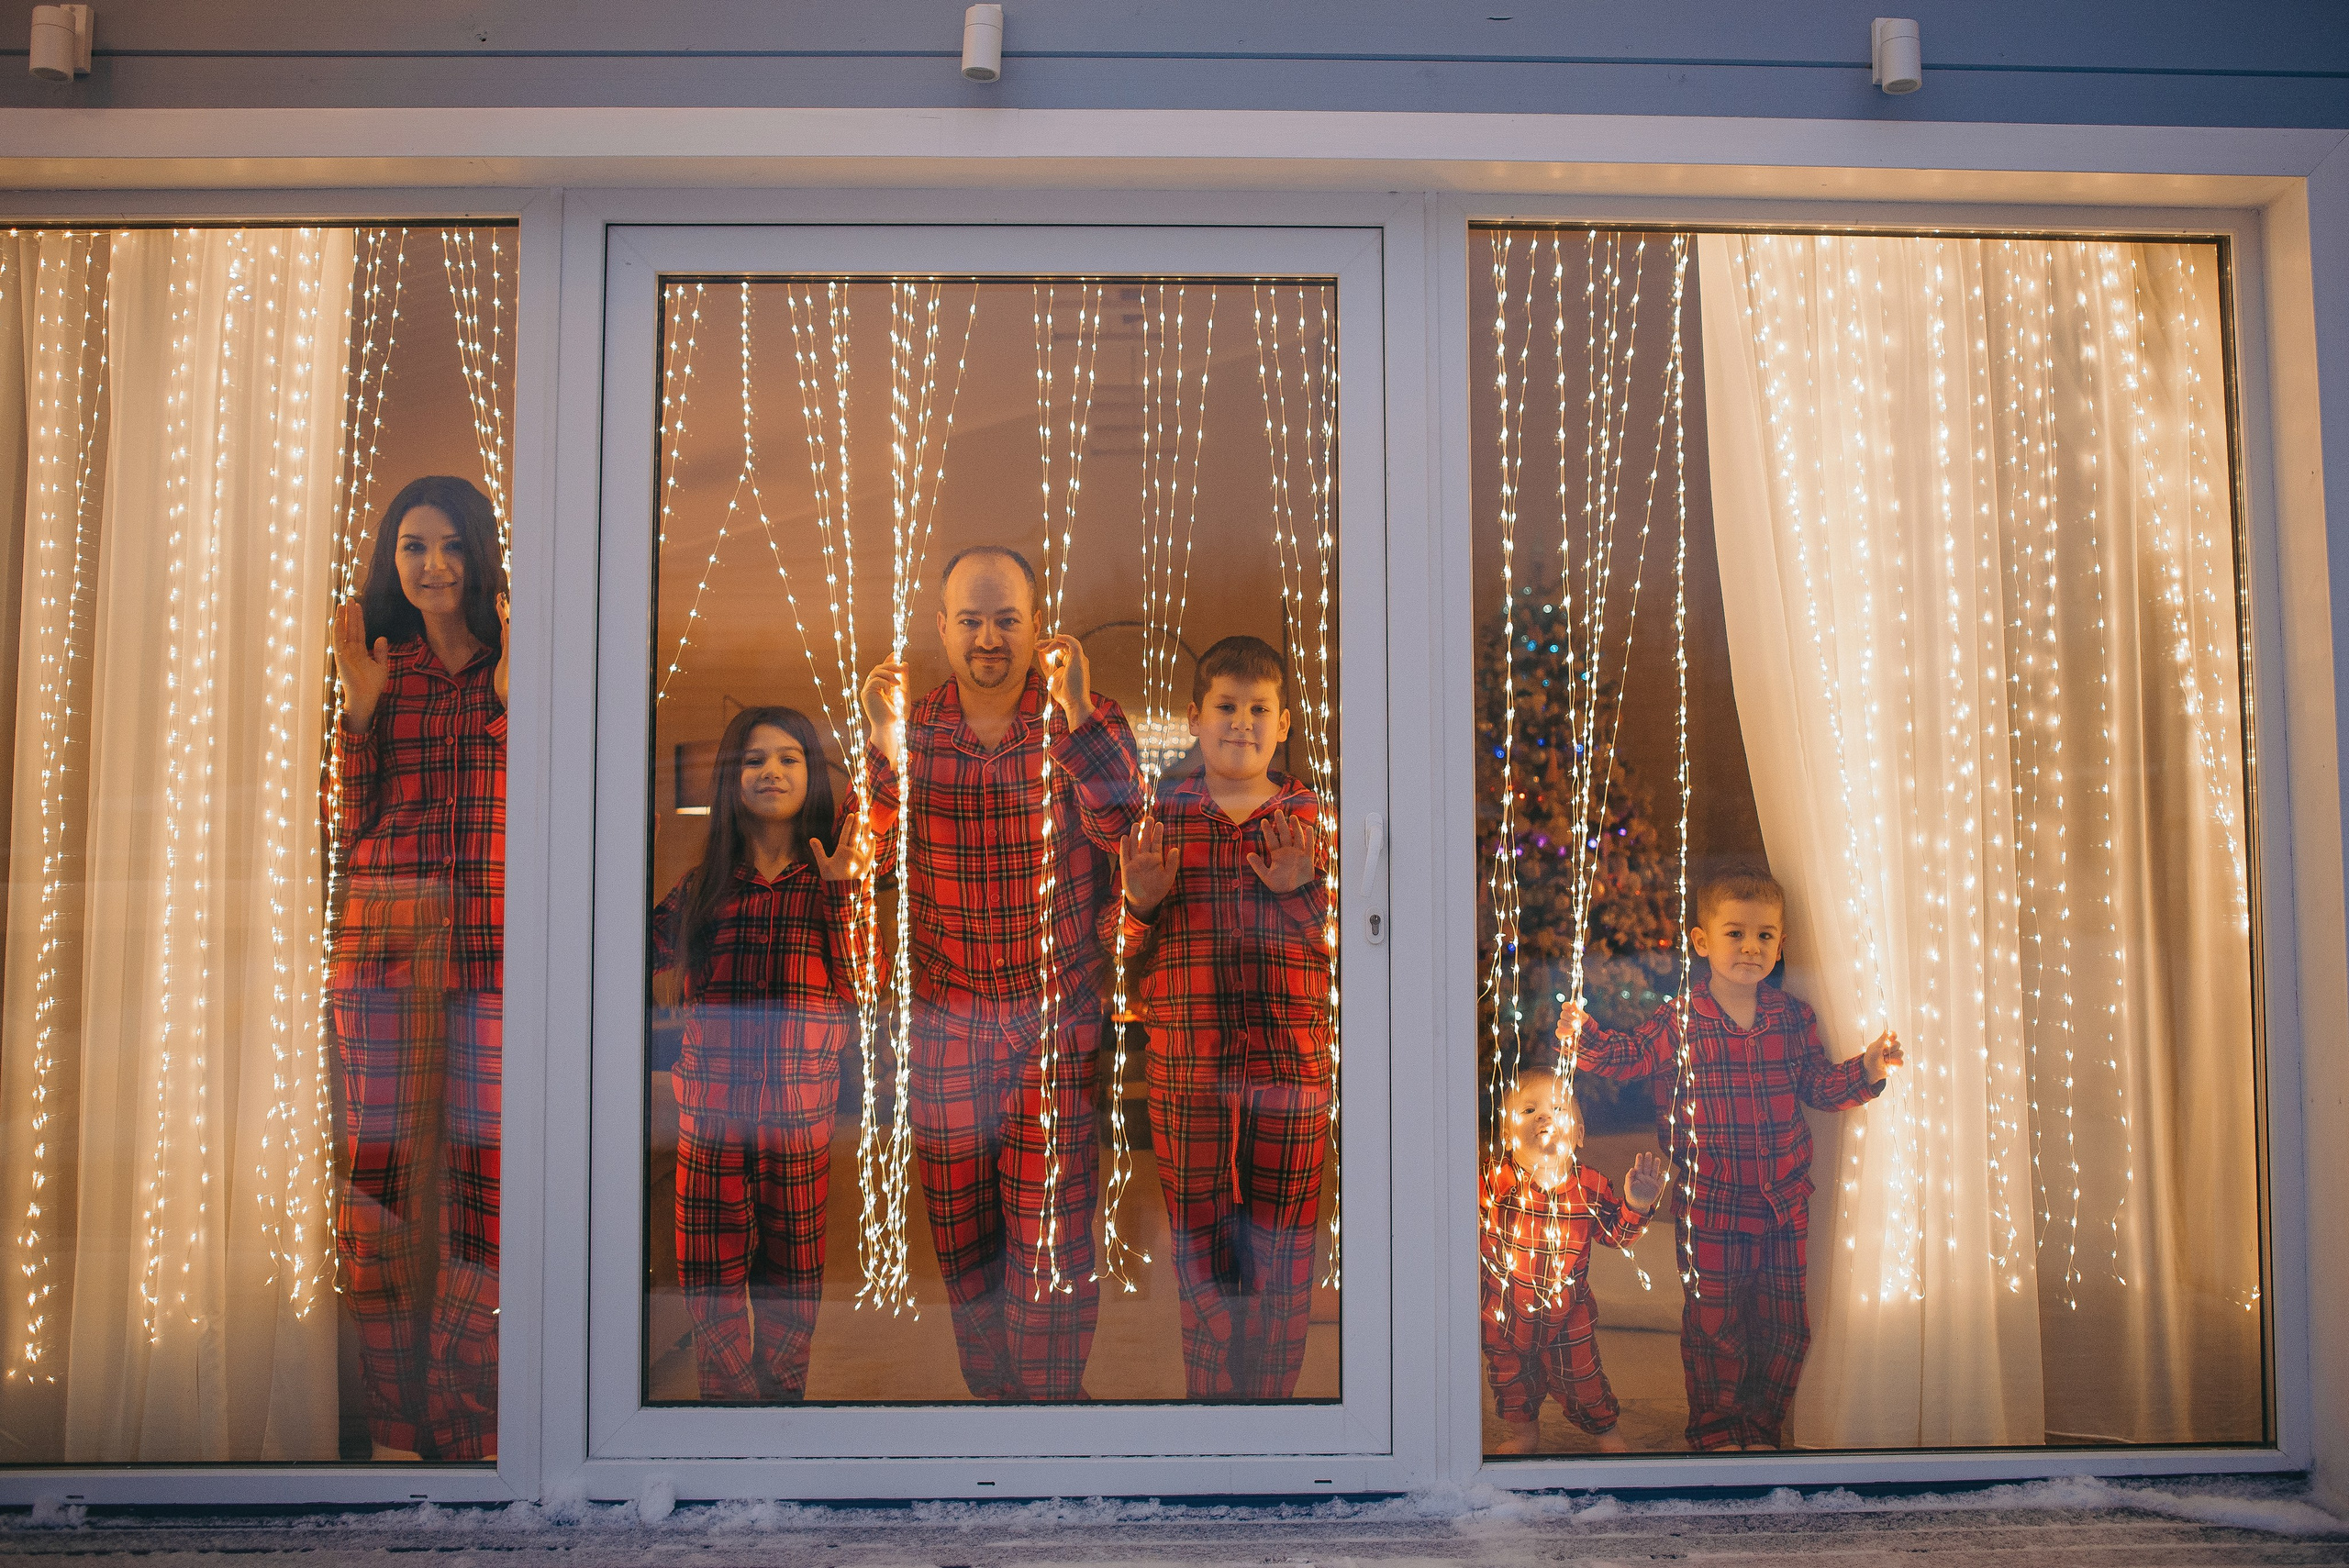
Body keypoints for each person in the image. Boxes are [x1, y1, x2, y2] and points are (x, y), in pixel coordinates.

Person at [860, 544, 1142, 1401]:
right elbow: (866, 854)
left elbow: (1128, 824)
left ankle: (1050, 1405)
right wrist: (878, 740)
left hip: (1051, 1022)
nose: (989, 637)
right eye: (972, 620)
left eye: (1007, 619)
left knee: (1052, 1234)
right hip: (945, 1024)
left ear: (1035, 626)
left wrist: (1081, 709)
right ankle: (995, 1402)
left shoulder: (1079, 721)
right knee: (963, 1237)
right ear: (941, 628)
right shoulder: (913, 731)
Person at [1559, 865, 1905, 1452]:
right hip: (1713, 1205)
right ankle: (1717, 1433)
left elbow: (1819, 1087)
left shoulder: (1791, 1019)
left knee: (1785, 1327)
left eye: (1765, 936)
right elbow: (1628, 1057)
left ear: (1781, 944)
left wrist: (1868, 1069)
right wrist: (1584, 1037)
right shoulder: (1684, 1019)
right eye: (1735, 934)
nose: (1750, 948)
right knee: (1716, 1326)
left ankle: (1762, 1428)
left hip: (1783, 1203)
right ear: (1702, 942)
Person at [329, 474, 507, 1462]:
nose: (432, 563)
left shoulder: (510, 665)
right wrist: (359, 715)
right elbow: (346, 826)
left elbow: (544, 802)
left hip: (491, 949)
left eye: (449, 544)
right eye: (412, 545)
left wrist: (512, 701)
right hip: (385, 945)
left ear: (479, 553)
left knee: (489, 1181)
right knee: (381, 1184)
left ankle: (470, 1415)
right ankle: (396, 1421)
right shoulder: (377, 667)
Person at [1113, 635, 1332, 1399]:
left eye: (1259, 709)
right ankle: (1214, 1402)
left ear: (1284, 722)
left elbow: (1348, 947)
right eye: (1227, 707)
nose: (1242, 722)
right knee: (1200, 1243)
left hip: (1291, 1063)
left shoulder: (1309, 820)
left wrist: (1303, 889)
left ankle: (1270, 1404)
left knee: (1283, 1244)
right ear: (1194, 718)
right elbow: (1118, 950)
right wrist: (1139, 903)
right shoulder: (1162, 819)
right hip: (1188, 1066)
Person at [651, 706, 872, 1402]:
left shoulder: (831, 885)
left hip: (799, 1124)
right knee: (709, 1284)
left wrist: (841, 892)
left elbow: (866, 985)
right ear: (731, 780)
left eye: (788, 758)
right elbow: (625, 948)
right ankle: (729, 1406)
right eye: (753, 760)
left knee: (791, 1288)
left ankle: (779, 1409)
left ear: (812, 775)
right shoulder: (703, 890)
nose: (771, 771)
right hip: (710, 1121)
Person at [1480, 1069, 1664, 1453]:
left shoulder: (1590, 1186)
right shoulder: (1492, 1182)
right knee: (1511, 1380)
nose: (1544, 1117)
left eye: (1558, 1109)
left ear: (1580, 1134)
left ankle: (1605, 1433)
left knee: (1583, 1380)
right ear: (1507, 1133)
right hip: (1504, 1311)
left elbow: (1616, 1235)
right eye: (1529, 1110)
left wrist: (1636, 1204)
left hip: (1568, 1316)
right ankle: (1524, 1435)